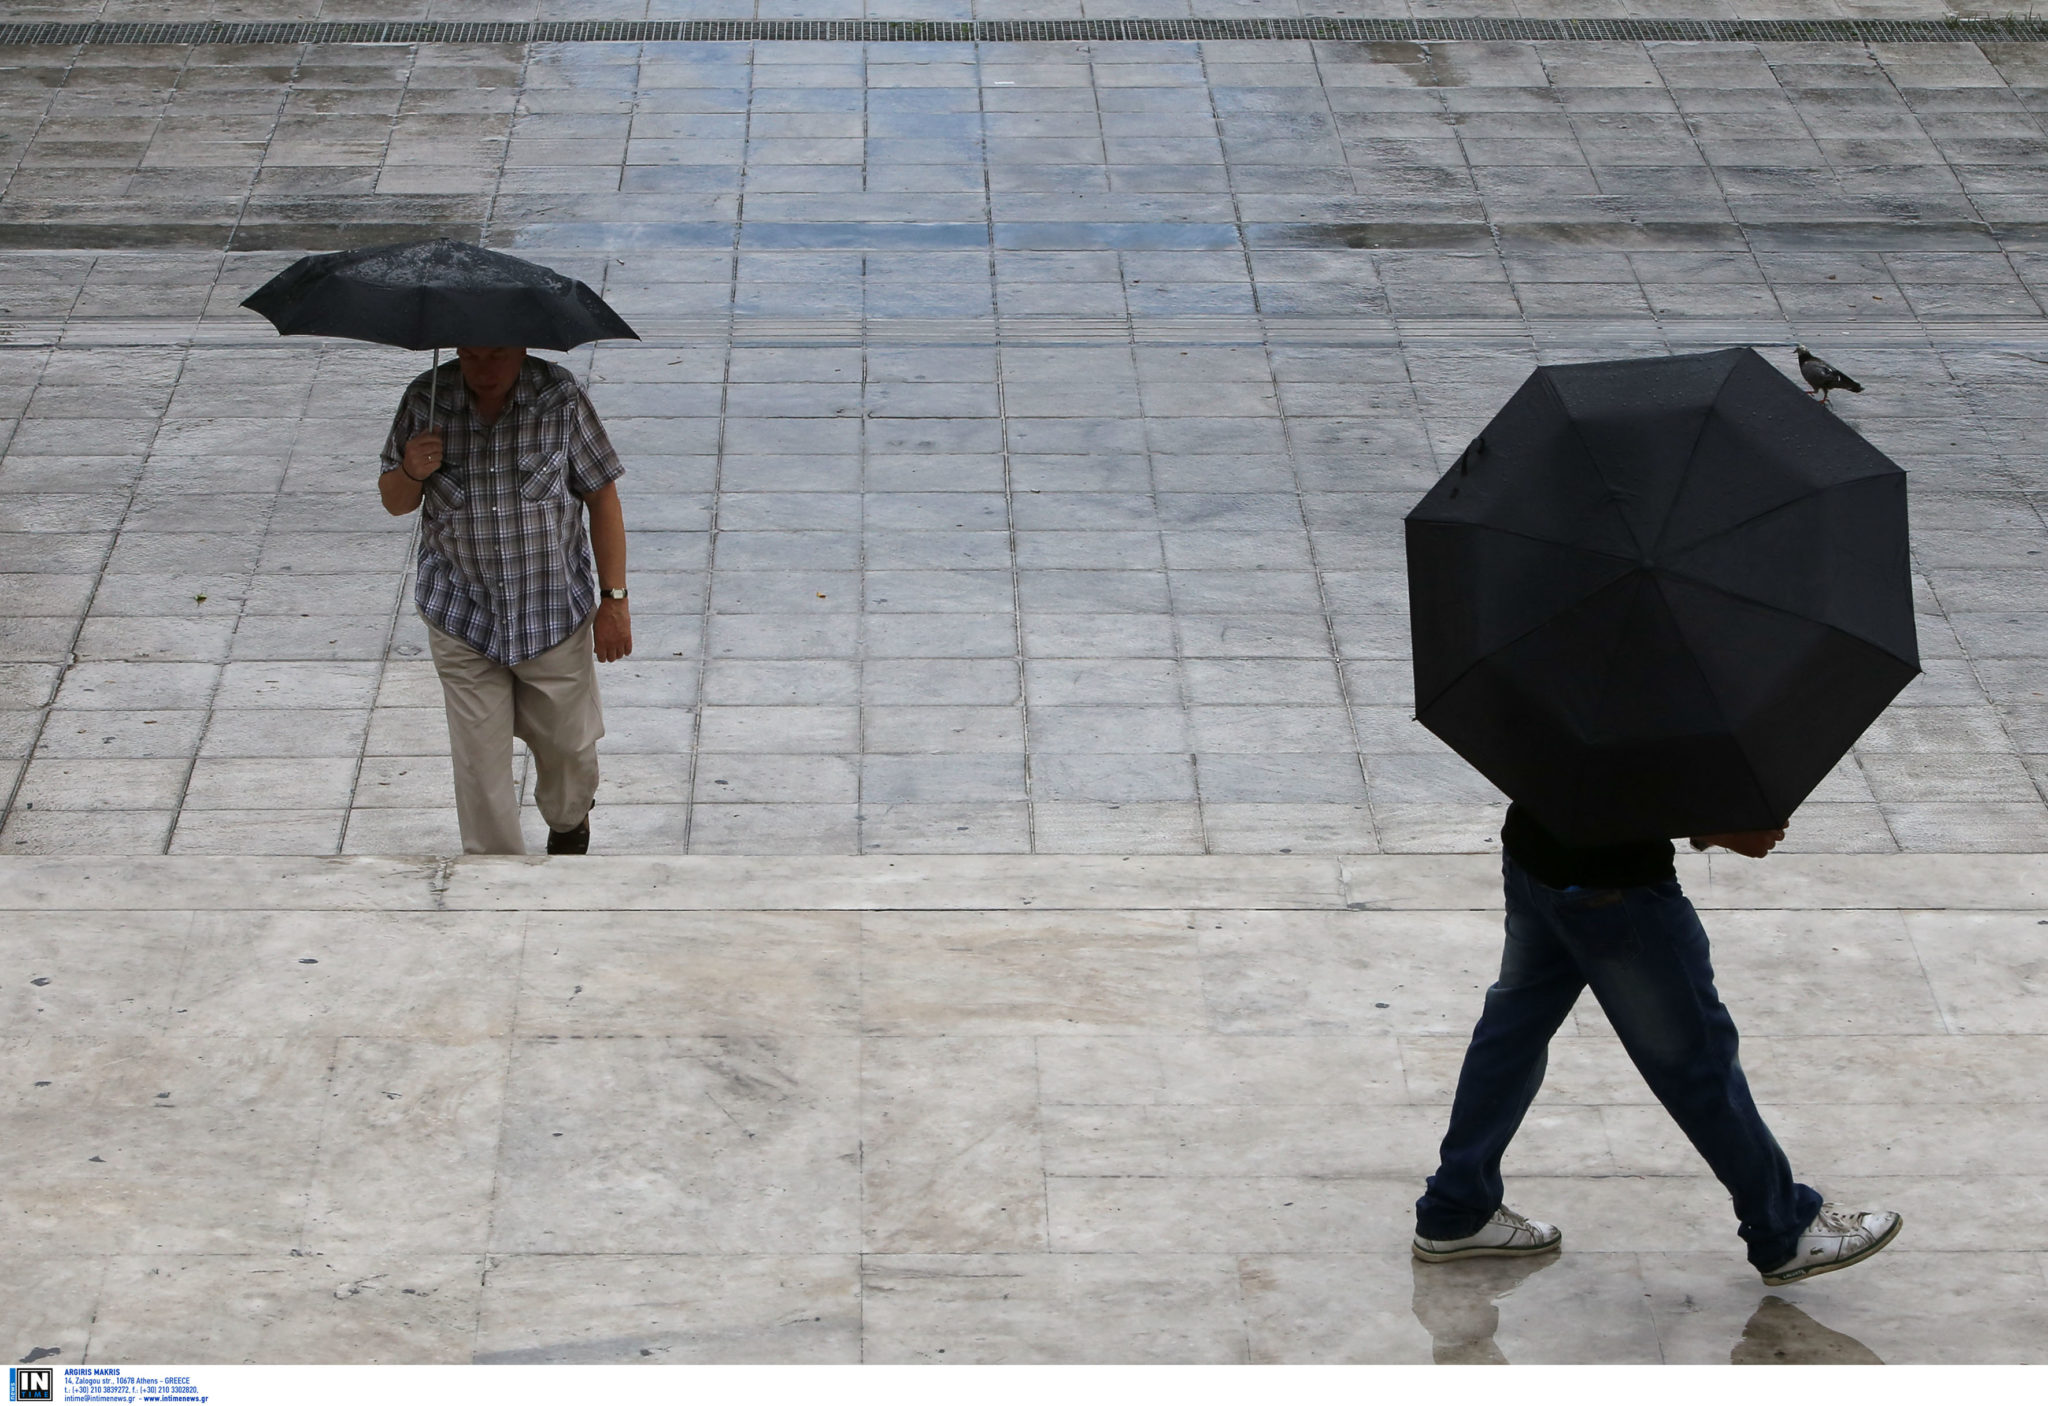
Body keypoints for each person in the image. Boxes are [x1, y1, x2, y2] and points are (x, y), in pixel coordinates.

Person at [1412, 802, 1901, 1287]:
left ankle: (1457, 1208)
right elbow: (1627, 775)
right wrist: (1716, 823)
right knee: (1695, 1060)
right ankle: (1785, 1229)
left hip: (1534, 854)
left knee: (1512, 1033)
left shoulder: (1552, 721)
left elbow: (1599, 769)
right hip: (1615, 888)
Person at [378, 345, 631, 856]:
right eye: (471, 355)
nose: (484, 370)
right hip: (462, 616)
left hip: (552, 613)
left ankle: (568, 823)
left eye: (497, 355)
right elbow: (394, 502)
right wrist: (410, 471)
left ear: (520, 351)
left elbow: (602, 497)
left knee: (568, 752)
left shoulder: (559, 398)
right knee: (479, 768)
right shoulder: (426, 401)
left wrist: (615, 601)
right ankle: (495, 886)